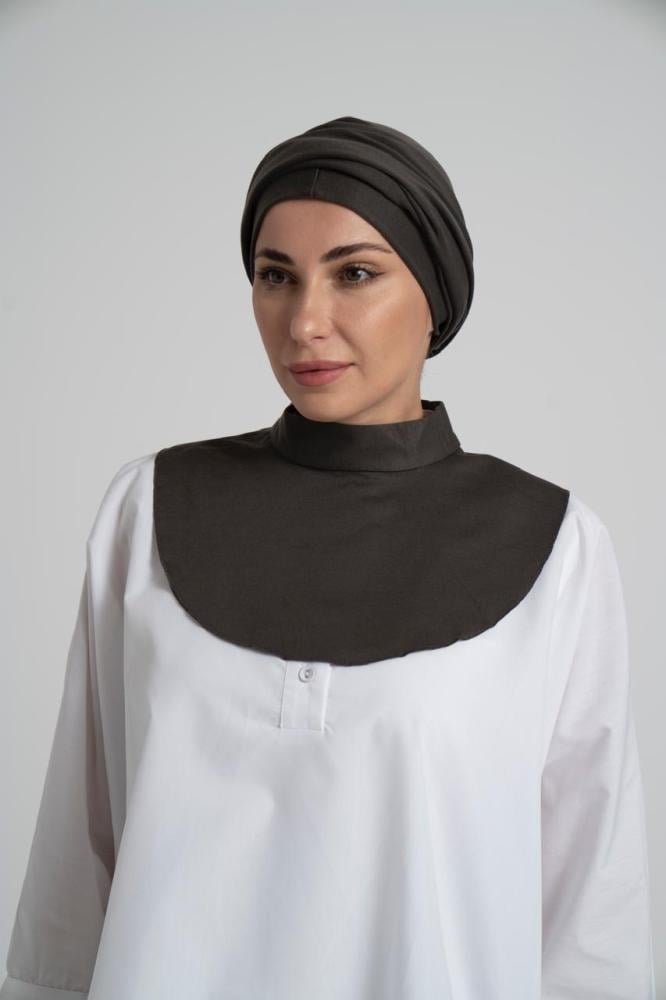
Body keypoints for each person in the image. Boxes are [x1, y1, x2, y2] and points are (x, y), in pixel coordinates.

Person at [0, 116, 656, 999]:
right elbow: (71, 883)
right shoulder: (147, 507)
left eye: (355, 274)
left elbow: (592, 920)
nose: (305, 321)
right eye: (276, 276)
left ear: (435, 292)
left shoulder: (556, 543)